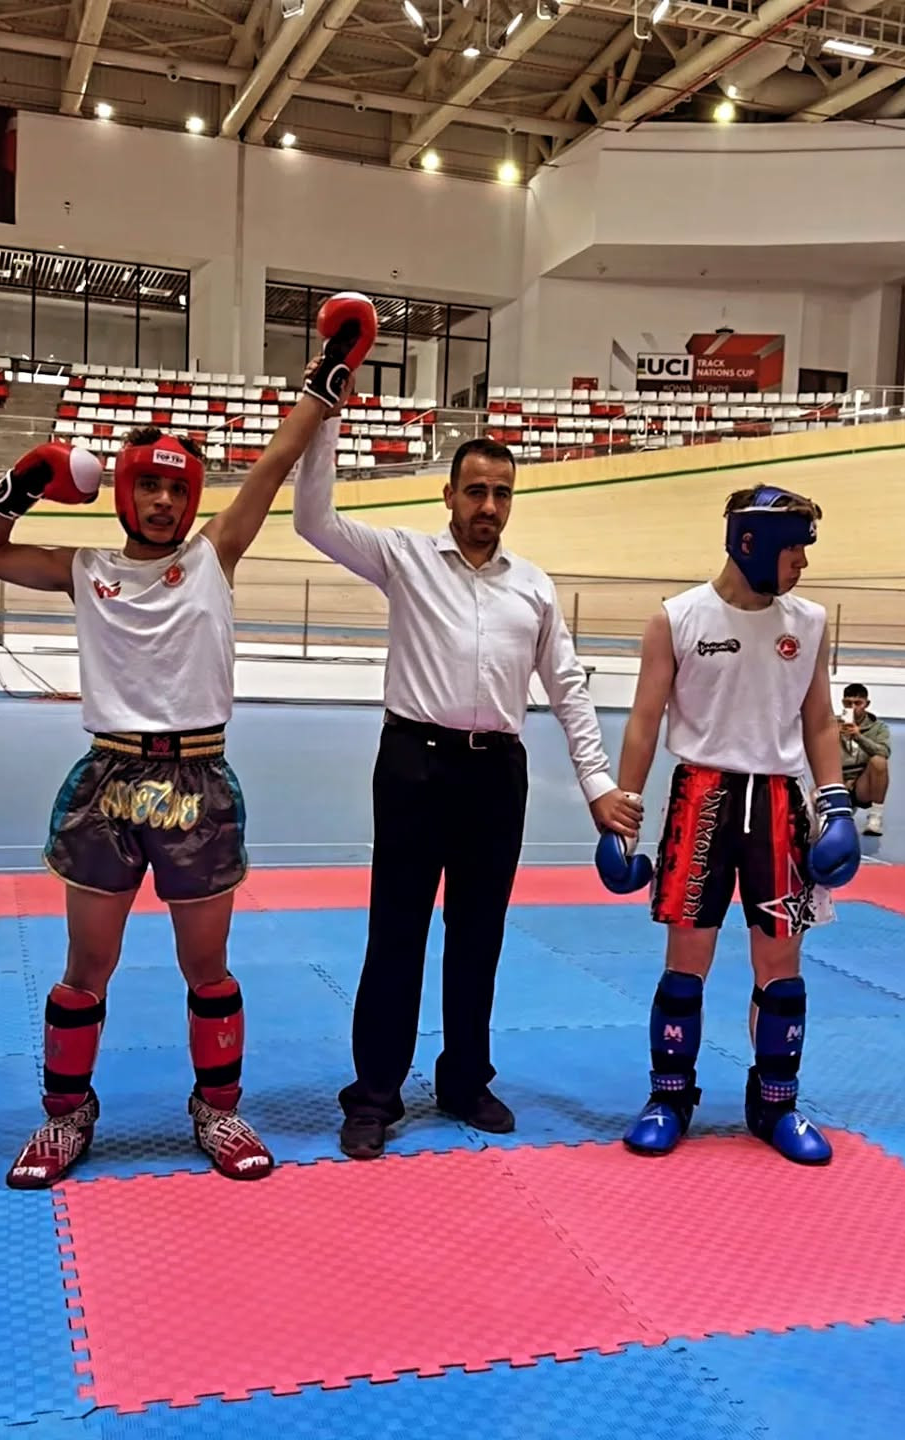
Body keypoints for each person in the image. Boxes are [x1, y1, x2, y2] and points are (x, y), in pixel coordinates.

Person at [0, 291, 376, 1188]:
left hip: (197, 780)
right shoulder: (87, 569)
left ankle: (217, 1110)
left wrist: (329, 378)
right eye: (147, 484)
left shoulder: (213, 556)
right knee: (85, 967)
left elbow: (276, 462)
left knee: (207, 966)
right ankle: (65, 1118)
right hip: (108, 782)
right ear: (126, 492)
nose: (159, 499)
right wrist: (25, 479)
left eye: (176, 488)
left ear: (191, 500)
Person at [290, 322, 643, 1161]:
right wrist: (327, 415)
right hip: (413, 766)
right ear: (448, 496)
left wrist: (598, 787)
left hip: (497, 777)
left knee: (478, 935)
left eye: (501, 494)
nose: (488, 507)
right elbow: (312, 519)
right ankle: (375, 1093)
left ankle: (463, 1080)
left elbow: (567, 689)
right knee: (397, 934)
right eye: (475, 491)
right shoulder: (405, 558)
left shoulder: (535, 589)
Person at [594, 484, 860, 1165]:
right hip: (701, 799)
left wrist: (835, 804)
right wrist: (624, 815)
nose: (803, 563)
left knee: (782, 970)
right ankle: (669, 1096)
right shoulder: (678, 618)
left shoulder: (809, 621)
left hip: (778, 803)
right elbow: (645, 719)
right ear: (753, 544)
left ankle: (776, 1103)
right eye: (794, 548)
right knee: (686, 966)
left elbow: (819, 720)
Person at [839, 682, 890, 835]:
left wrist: (858, 737)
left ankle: (875, 817)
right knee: (811, 804)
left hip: (863, 784)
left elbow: (884, 752)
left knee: (879, 761)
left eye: (858, 703)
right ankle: (843, 806)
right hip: (838, 779)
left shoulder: (879, 727)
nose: (853, 707)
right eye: (848, 703)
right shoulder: (832, 725)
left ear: (866, 704)